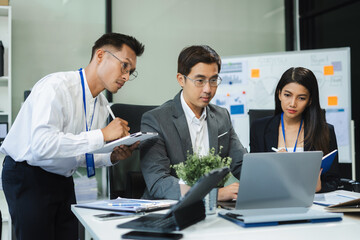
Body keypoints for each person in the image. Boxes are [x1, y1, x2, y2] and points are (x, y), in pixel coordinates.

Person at [0, 32, 144, 240]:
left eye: (131, 71)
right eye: (124, 66)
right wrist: (102, 134)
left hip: (63, 179)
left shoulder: (101, 104)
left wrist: (112, 156)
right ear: (101, 55)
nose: (126, 77)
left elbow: (78, 154)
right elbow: (43, 145)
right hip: (28, 175)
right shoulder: (56, 87)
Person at [140, 45, 247, 201]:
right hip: (168, 210)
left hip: (212, 212)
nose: (208, 89)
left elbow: (241, 165)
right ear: (181, 79)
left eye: (214, 80)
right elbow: (159, 182)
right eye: (200, 81)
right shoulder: (155, 120)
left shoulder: (222, 116)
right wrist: (214, 195)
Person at [250, 67, 340, 193]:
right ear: (279, 93)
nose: (292, 103)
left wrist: (320, 187)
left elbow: (333, 180)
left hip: (312, 201)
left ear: (310, 101)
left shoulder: (325, 131)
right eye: (287, 95)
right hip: (273, 197)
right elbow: (254, 175)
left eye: (301, 98)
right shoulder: (259, 128)